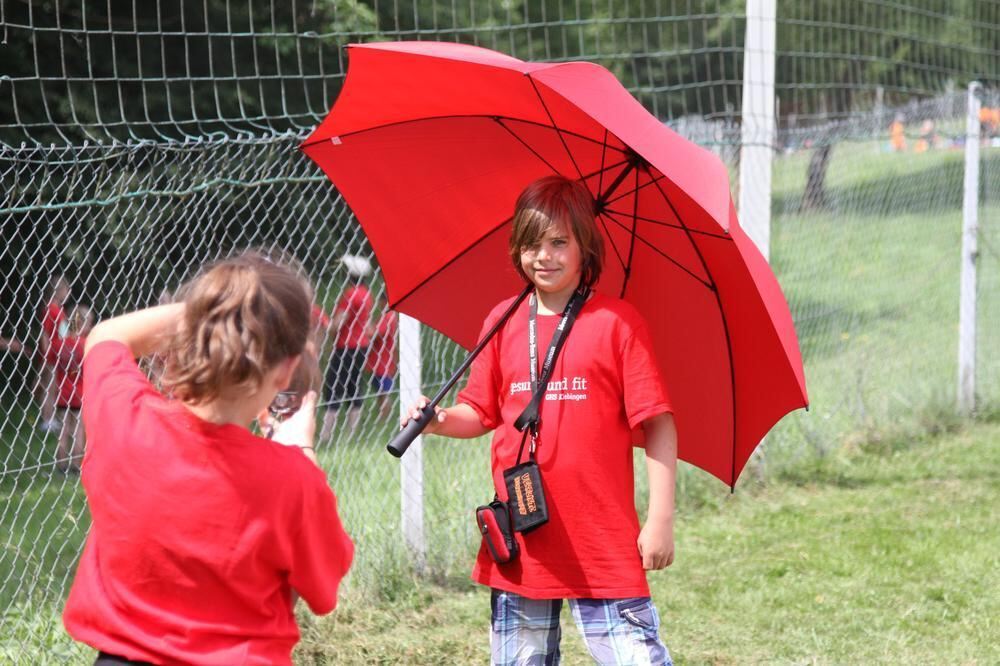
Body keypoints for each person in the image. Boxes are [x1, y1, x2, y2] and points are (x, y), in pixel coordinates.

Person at [403, 176, 677, 665]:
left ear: (585, 246)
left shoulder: (617, 323)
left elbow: (658, 422)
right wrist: (439, 420)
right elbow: (479, 412)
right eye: (532, 244)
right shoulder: (501, 321)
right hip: (522, 540)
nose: (544, 257)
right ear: (517, 249)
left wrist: (660, 519)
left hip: (601, 540)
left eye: (558, 243)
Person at [62, 251, 354, 665]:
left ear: (191, 335)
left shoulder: (125, 420)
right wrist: (302, 452)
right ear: (286, 371)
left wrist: (215, 309)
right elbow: (323, 588)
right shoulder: (294, 480)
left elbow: (106, 336)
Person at [321, 254, 373, 439]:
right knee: (354, 385)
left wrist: (324, 320)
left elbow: (337, 324)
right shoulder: (367, 294)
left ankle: (326, 434)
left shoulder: (351, 295)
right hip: (361, 346)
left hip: (346, 347)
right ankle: (352, 433)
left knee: (333, 386)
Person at [52, 305, 92, 474]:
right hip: (79, 394)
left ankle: (61, 465)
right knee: (78, 430)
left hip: (63, 393)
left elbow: (53, 366)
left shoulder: (59, 345)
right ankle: (75, 465)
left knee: (63, 430)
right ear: (82, 323)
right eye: (89, 322)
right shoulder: (86, 345)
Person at [38, 274, 71, 433]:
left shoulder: (59, 309)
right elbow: (45, 334)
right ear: (59, 291)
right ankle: (47, 419)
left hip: (58, 355)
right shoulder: (50, 309)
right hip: (51, 355)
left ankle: (51, 417)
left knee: (54, 388)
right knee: (49, 388)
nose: (68, 294)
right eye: (67, 290)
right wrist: (46, 356)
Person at [366, 296, 398, 421]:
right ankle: (383, 417)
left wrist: (367, 323)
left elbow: (373, 334)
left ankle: (385, 418)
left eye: (380, 302)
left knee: (384, 391)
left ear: (385, 302)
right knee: (381, 391)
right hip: (381, 360)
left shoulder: (388, 317)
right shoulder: (388, 316)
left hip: (383, 362)